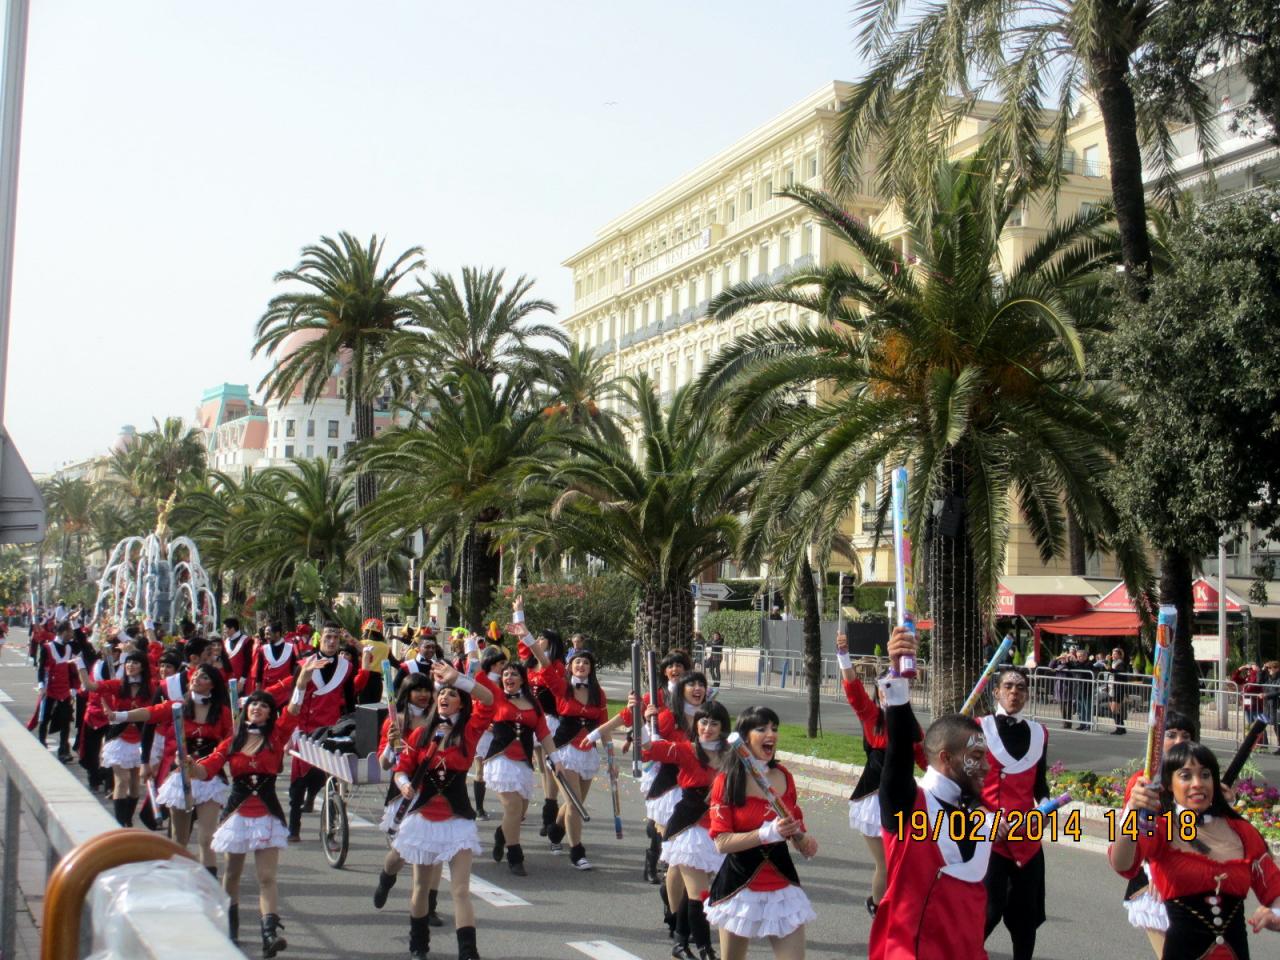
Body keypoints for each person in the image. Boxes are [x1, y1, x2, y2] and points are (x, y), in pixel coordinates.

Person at [870, 625, 999, 960]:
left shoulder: (978, 815)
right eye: (976, 757)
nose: (987, 767)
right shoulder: (907, 806)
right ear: (945, 758)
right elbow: (899, 750)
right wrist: (898, 678)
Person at [1110, 740, 1280, 958]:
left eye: (1205, 775)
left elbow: (1274, 889)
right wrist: (1132, 812)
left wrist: (1275, 913)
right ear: (1169, 784)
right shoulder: (1162, 828)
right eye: (1186, 776)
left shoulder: (1243, 832)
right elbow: (1122, 863)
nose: (1198, 783)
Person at [188, 666, 311, 955]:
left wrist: (302, 681)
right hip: (237, 815)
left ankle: (269, 935)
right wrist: (191, 768)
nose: (257, 708)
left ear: (270, 713)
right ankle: (230, 928)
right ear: (246, 711)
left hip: (267, 814)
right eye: (253, 704)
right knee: (232, 873)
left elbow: (293, 710)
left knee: (267, 877)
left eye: (264, 705)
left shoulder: (277, 735)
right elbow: (208, 769)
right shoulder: (233, 740)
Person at [391, 660, 494, 960]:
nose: (445, 697)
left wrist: (458, 678)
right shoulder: (420, 734)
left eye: (452, 694)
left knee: (460, 890)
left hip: (457, 820)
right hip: (423, 819)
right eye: (442, 693)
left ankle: (468, 952)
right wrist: (404, 784)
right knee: (421, 887)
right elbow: (401, 769)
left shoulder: (470, 731)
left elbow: (489, 700)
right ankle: (418, 945)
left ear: (461, 702)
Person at [706, 705, 817, 960]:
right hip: (739, 885)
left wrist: (803, 840)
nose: (771, 734)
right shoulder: (728, 780)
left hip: (781, 884)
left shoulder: (784, 776)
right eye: (761, 729)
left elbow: (795, 826)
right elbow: (722, 842)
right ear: (744, 737)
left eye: (774, 729)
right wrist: (767, 833)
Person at [834, 633, 926, 916]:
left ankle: (902, 913)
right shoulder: (872, 716)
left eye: (897, 686)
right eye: (886, 687)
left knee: (905, 864)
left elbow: (928, 763)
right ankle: (879, 912)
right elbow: (853, 690)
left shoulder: (913, 729)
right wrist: (844, 656)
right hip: (873, 801)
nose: (890, 692)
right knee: (885, 864)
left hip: (904, 801)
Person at [112, 663, 233, 871]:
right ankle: (180, 880)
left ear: (213, 685)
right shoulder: (178, 707)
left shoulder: (222, 712)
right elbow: (150, 713)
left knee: (207, 839)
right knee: (179, 839)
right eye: (196, 675)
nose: (196, 678)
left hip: (209, 777)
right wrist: (120, 716)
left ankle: (208, 884)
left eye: (204, 677)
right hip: (180, 776)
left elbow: (232, 739)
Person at [640, 697, 731, 960]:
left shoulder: (732, 755)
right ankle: (705, 948)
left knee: (697, 891)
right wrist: (643, 719)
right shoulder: (686, 750)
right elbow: (649, 748)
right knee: (700, 893)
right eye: (703, 722)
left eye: (714, 723)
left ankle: (680, 942)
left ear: (723, 727)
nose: (707, 728)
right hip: (688, 831)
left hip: (716, 831)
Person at [263, 621, 368, 841]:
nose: (332, 641)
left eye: (336, 638)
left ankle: (330, 830)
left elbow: (350, 699)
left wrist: (352, 724)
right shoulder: (305, 664)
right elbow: (293, 696)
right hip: (304, 727)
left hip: (331, 730)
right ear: (320, 639)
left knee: (330, 779)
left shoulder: (346, 667)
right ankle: (294, 828)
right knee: (298, 781)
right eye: (328, 637)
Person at [980, 665, 1049, 960]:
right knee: (986, 913)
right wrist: (987, 818)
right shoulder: (978, 728)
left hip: (1027, 840)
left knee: (1025, 922)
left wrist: (1044, 808)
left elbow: (1040, 784)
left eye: (1021, 687)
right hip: (990, 839)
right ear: (996, 691)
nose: (1014, 692)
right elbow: (966, 786)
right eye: (1008, 686)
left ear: (1027, 694)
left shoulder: (1039, 733)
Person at [528, 627, 609, 871]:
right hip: (563, 752)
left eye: (586, 663)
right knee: (574, 804)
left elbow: (604, 726)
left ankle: (555, 831)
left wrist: (612, 759)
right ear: (570, 666)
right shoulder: (562, 687)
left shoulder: (598, 694)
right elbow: (544, 662)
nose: (581, 665)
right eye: (577, 662)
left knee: (576, 802)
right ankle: (577, 852)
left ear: (591, 668)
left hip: (588, 752)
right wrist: (527, 636)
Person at [1119, 713, 1199, 958]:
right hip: (1155, 886)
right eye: (1171, 735)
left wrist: (1224, 803)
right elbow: (1132, 832)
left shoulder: (1200, 780)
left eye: (1186, 736)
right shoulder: (1143, 781)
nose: (1179, 741)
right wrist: (1155, 870)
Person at [372, 672, 444, 927]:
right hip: (405, 789)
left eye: (427, 690)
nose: (423, 695)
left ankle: (429, 906)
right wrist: (391, 744)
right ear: (407, 693)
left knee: (433, 852)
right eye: (417, 690)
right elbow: (384, 763)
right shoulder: (396, 721)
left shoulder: (439, 718)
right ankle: (386, 877)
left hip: (433, 790)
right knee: (400, 854)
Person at [480, 657, 557, 876]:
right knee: (513, 807)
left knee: (519, 812)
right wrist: (477, 656)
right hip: (500, 759)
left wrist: (556, 760)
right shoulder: (495, 697)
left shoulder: (533, 704)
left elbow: (543, 733)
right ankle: (514, 855)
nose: (509, 677)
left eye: (514, 674)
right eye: (505, 674)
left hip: (523, 762)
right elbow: (477, 682)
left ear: (522, 679)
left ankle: (501, 835)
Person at [76, 647, 155, 826]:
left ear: (143, 667)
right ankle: (120, 824)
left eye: (135, 662)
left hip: (141, 739)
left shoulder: (151, 686)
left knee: (135, 783)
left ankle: (127, 819)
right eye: (128, 662)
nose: (130, 665)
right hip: (119, 737)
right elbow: (90, 686)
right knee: (121, 780)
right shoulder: (118, 684)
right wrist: (80, 664)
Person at [36, 620, 79, 761]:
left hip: (65, 690)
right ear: (63, 632)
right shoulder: (47, 647)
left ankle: (63, 751)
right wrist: (41, 685)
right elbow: (41, 668)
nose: (71, 634)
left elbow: (72, 670)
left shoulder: (69, 648)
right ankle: (41, 744)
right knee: (45, 718)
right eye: (70, 631)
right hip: (50, 689)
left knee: (65, 720)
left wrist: (73, 688)